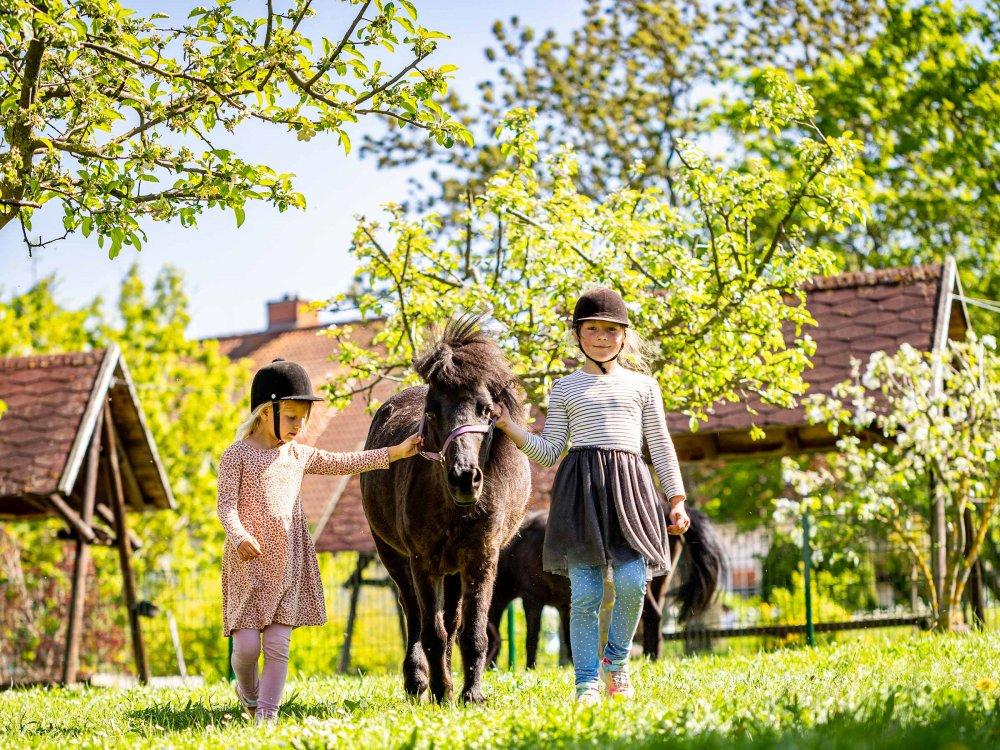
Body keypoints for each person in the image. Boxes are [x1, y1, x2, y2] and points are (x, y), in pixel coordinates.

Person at [493, 287, 690, 705]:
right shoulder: (565, 389)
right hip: (580, 494)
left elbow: (660, 443)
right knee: (584, 594)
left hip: (632, 492)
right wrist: (510, 428)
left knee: (635, 582)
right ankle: (586, 682)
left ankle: (616, 662)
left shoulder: (644, 386)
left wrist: (675, 498)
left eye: (611, 330)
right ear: (578, 334)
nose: (602, 336)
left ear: (625, 335)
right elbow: (548, 451)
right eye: (593, 329)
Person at [217, 358, 421, 723]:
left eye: (303, 418)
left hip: (287, 564)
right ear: (266, 412)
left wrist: (395, 452)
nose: (300, 426)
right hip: (247, 566)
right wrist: (239, 534)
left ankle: (267, 715)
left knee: (278, 646)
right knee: (246, 649)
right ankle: (248, 695)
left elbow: (345, 461)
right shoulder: (237, 456)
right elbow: (226, 507)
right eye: (292, 417)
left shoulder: (297, 455)